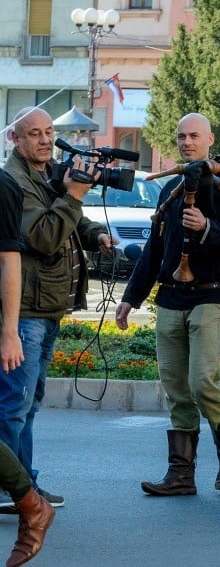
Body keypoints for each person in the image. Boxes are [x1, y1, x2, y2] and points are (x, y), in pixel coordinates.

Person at [117, 113, 220, 497]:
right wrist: (131, 298)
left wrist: (207, 229)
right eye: (181, 136)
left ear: (210, 139)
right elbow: (154, 249)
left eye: (194, 135)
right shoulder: (171, 188)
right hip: (171, 296)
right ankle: (181, 474)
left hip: (210, 293)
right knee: (175, 387)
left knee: (202, 381)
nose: (186, 142)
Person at [2, 107, 116, 509]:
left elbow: (64, 217)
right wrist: (76, 196)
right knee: (14, 406)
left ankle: (24, 486)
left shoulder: (43, 174)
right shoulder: (14, 182)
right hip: (27, 312)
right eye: (34, 134)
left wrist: (95, 232)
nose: (46, 140)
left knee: (28, 406)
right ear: (14, 140)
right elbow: (43, 234)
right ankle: (11, 489)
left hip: (46, 308)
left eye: (49, 131)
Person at [0, 166, 55, 567]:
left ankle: (30, 503)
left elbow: (10, 260)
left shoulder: (3, 187)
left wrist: (9, 331)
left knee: (15, 411)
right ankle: (32, 504)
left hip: (18, 317)